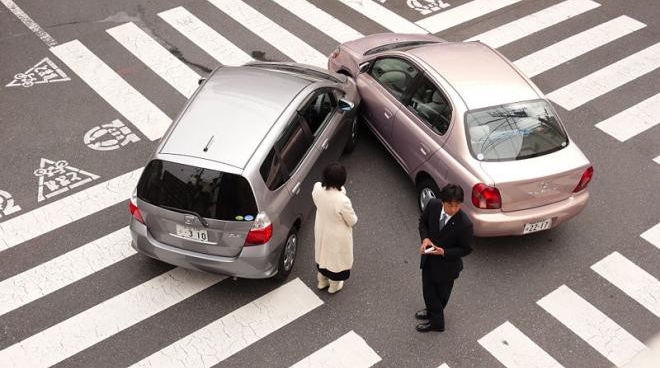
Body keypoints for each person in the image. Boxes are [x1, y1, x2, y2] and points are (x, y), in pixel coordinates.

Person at [415, 184, 473, 332]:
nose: (453, 209)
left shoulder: (464, 224)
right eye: (449, 205)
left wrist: (444, 252)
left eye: (457, 205)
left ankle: (437, 324)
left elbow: (466, 249)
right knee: (428, 290)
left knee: (441, 296)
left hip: (447, 267)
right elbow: (423, 222)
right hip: (429, 259)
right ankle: (432, 313)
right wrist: (425, 239)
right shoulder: (433, 205)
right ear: (442, 201)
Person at [312, 162, 358, 294]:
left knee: (322, 254)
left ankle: (321, 281)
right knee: (335, 260)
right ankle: (334, 285)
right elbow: (352, 220)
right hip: (336, 235)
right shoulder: (342, 200)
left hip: (321, 227)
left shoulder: (316, 189)